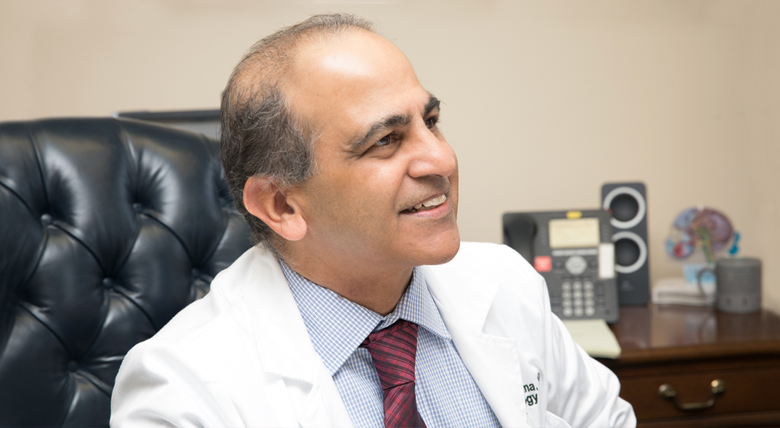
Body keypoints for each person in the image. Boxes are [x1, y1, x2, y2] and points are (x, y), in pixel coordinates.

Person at [111, 13, 636, 428]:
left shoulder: (506, 284)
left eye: (431, 122)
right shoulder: (180, 388)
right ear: (282, 206)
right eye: (385, 141)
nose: (441, 161)